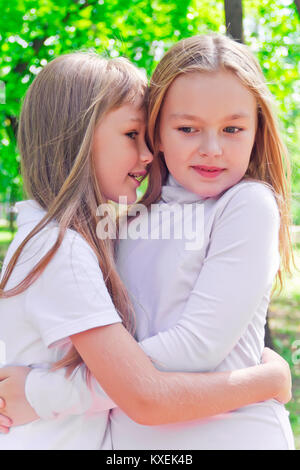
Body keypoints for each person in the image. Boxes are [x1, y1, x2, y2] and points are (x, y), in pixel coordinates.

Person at [0, 42, 293, 450]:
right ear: (159, 130)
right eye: (187, 128)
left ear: (257, 129)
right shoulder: (124, 220)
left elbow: (196, 348)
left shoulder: (246, 204)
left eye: (233, 128)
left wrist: (46, 393)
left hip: (226, 436)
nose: (211, 148)